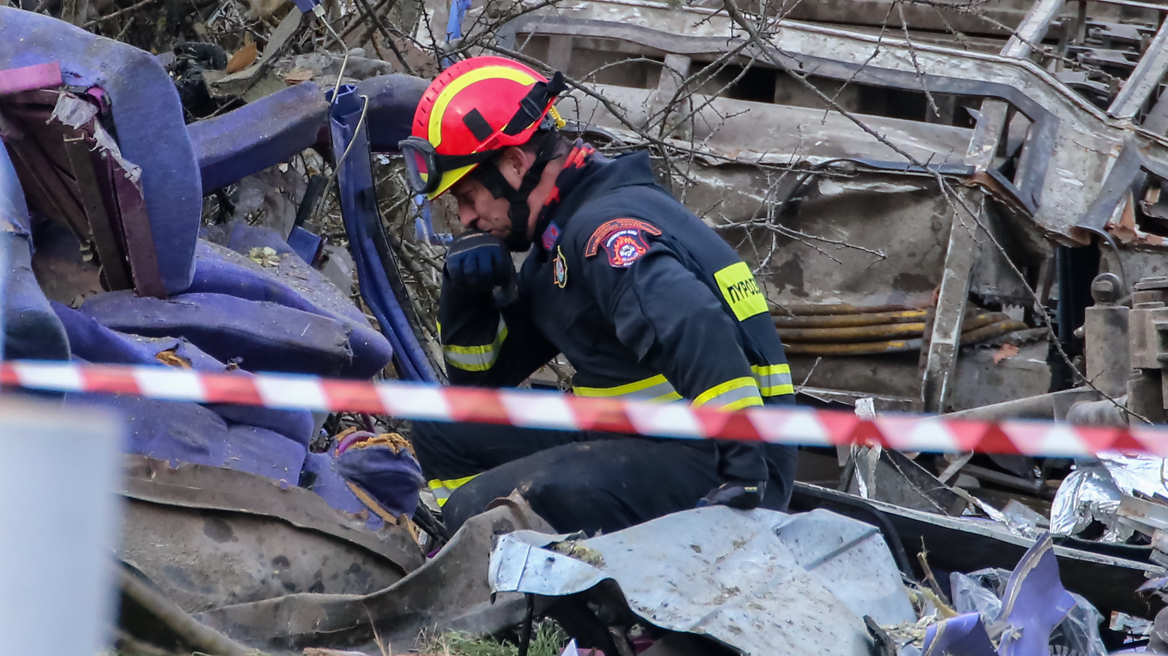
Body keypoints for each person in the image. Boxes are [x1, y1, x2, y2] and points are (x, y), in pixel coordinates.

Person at [399, 55, 797, 535]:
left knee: (486, 510)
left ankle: (536, 586)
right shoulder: (561, 240)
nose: (464, 218)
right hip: (642, 438)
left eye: (467, 198)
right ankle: (485, 562)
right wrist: (466, 294)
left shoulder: (603, 234)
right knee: (442, 431)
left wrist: (743, 472)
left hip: (719, 459)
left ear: (513, 163)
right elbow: (478, 388)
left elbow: (695, 322)